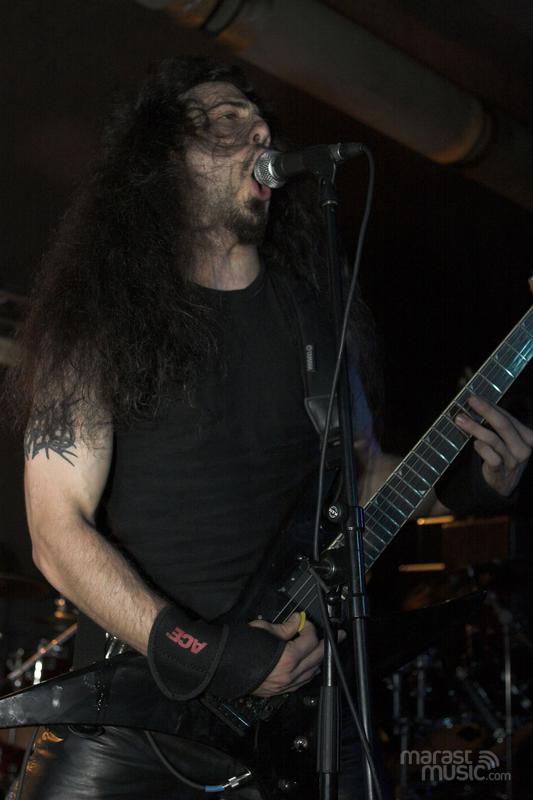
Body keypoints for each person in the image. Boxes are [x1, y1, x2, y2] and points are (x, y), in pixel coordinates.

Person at [9, 56, 533, 799]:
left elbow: (363, 477)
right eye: (228, 121)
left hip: (301, 714)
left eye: (261, 123)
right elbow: (55, 529)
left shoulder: (314, 321)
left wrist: (474, 481)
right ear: (165, 160)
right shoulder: (101, 321)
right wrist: (208, 654)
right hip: (138, 718)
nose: (259, 133)